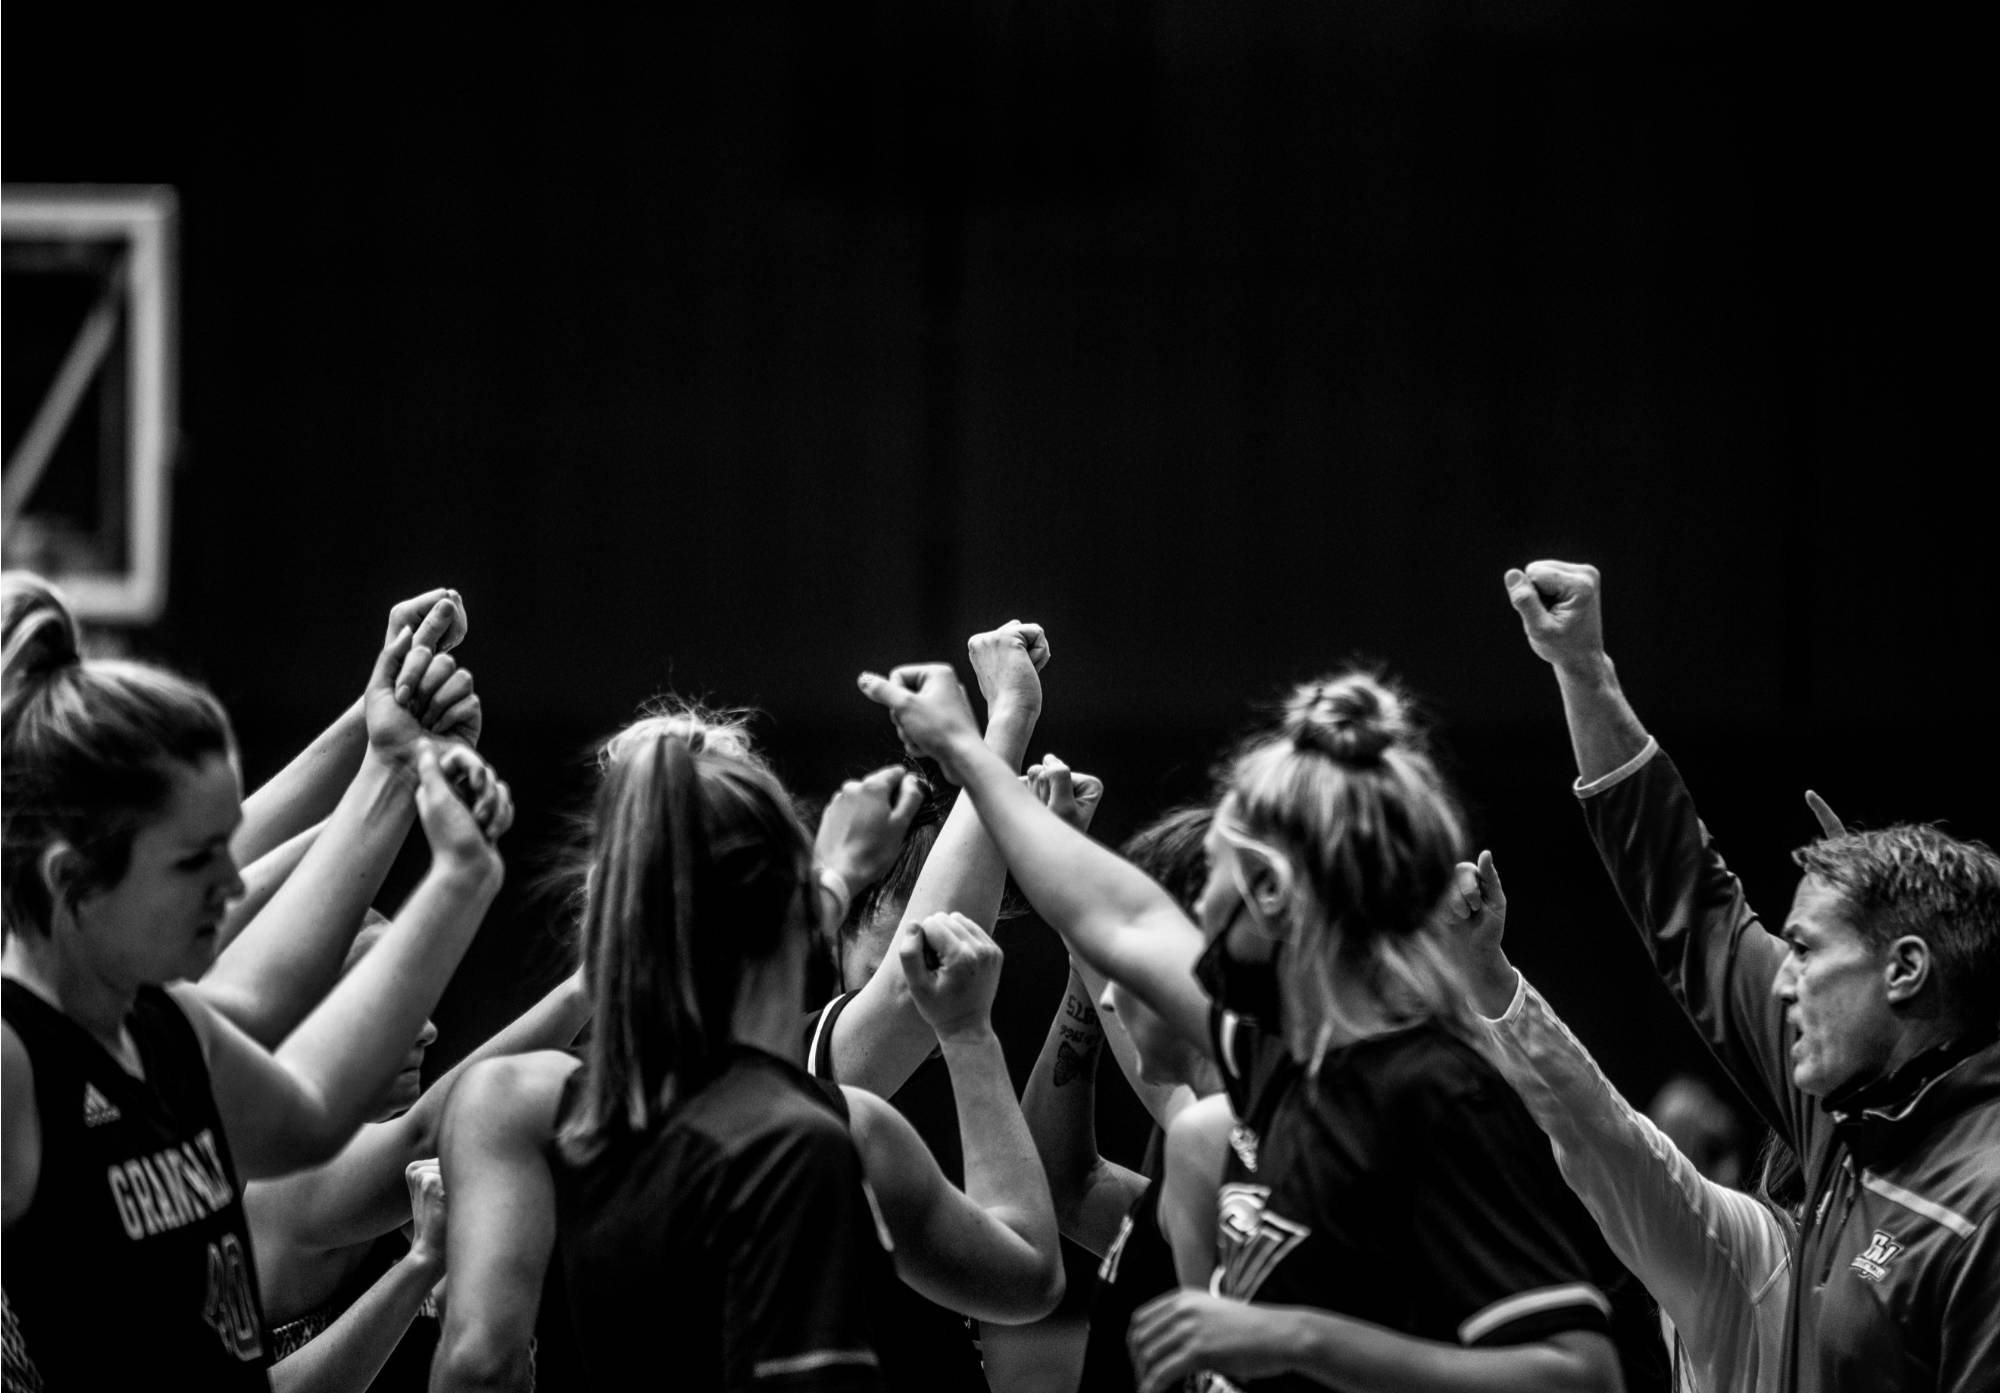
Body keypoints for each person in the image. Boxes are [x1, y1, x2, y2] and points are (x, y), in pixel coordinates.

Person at [860, 660, 1631, 1393]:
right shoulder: (1278, 1058)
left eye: (1219, 865)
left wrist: (1293, 1338)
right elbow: (1117, 919)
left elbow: (1580, 1374)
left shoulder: (1434, 1092)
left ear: (1267, 892)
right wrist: (968, 744)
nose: (1182, 911)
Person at [430, 706, 1064, 1392]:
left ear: (603, 909)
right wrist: (970, 1035)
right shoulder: (844, 1129)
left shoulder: (514, 1105)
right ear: (800, 922)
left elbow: (478, 1365)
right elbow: (1028, 1275)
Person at [1503, 558, 2000, 1392]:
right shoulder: (1847, 1106)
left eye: (1807, 950)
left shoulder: (1983, 1202)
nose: (1781, 977)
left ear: (1904, 970)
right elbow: (1696, 906)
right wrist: (1584, 671)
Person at [1, 577, 508, 1388]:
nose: (232, 882)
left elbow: (310, 1103)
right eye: (193, 861)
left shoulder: (164, 1030)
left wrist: (420, 811)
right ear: (74, 881)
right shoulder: (16, 1061)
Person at [1443, 849, 1794, 1393]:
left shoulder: (1760, 1254)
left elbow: (1608, 1135)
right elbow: (1607, 1136)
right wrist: (1485, 976)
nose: (1796, 987)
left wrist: (1486, 977)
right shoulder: (1754, 1258)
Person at [1021, 798, 1225, 1393]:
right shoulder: (1196, 1137)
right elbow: (1066, 1186)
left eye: (1134, 945)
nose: (1113, 993)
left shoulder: (1234, 1129)